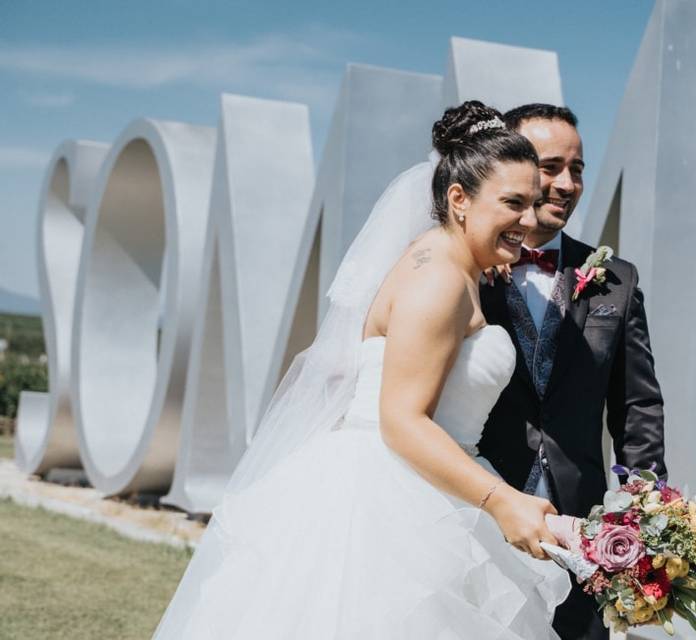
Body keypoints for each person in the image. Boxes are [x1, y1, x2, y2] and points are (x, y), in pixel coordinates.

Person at [152, 101, 571, 639]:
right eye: (513, 203)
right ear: (459, 199)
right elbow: (401, 419)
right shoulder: (439, 279)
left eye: (533, 204)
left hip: (420, 484)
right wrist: (502, 501)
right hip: (387, 501)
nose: (529, 221)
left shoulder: (451, 265)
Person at [477, 103, 667, 640]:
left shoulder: (615, 280)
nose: (567, 183)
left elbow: (637, 406)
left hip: (582, 531)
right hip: (477, 514)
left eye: (578, 169)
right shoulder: (463, 268)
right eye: (551, 165)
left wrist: (644, 514)